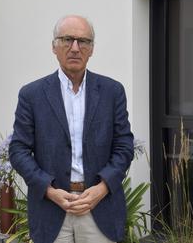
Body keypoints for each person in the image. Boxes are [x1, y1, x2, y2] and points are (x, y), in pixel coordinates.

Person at [9, 15, 134, 243]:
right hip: (51, 208)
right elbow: (18, 150)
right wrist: (48, 189)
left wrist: (102, 188)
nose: (75, 48)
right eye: (67, 39)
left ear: (92, 49)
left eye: (83, 41)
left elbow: (124, 146)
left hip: (99, 207)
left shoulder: (112, 92)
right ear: (54, 46)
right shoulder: (32, 95)